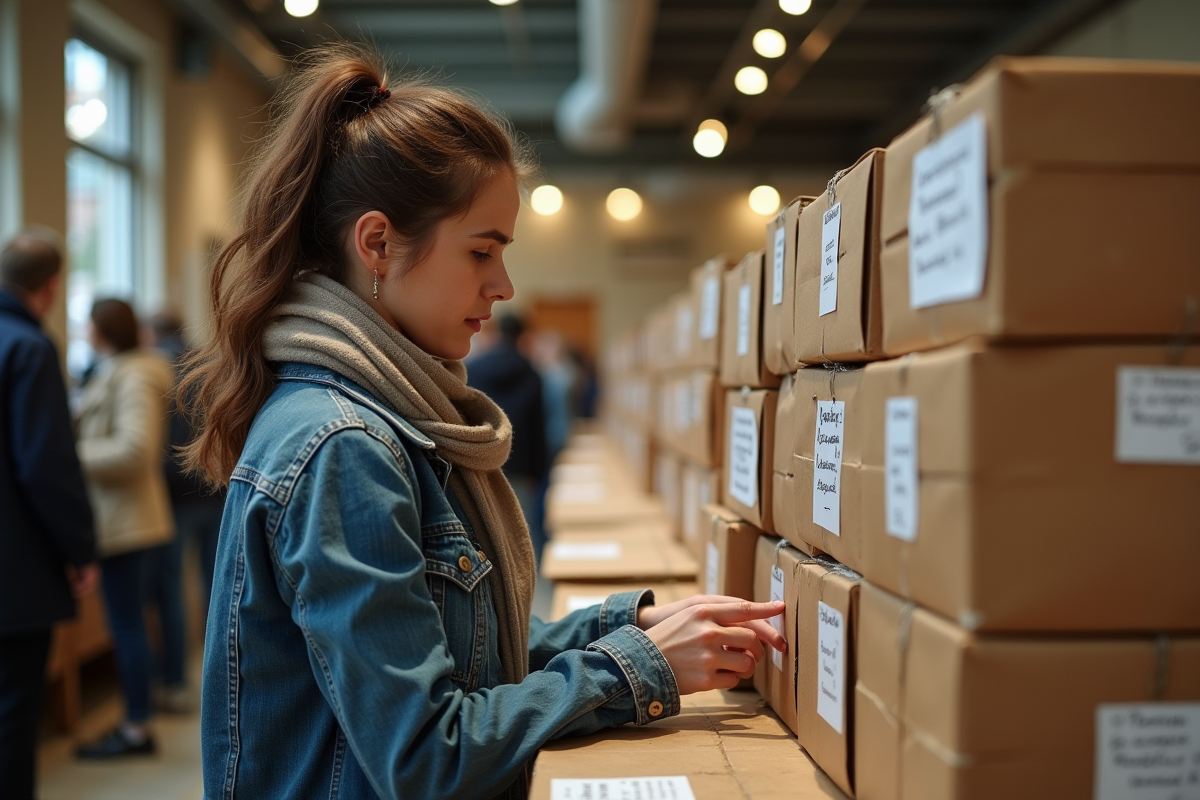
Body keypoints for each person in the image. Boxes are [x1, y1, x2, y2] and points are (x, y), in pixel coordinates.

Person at [181, 43, 786, 800]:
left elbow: (462, 651)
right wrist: (642, 666)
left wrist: (636, 626)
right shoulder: (344, 446)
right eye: (480, 252)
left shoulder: (379, 418)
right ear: (377, 244)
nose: (503, 286)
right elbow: (427, 754)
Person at [0, 229, 98, 800]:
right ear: (53, 287)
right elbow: (44, 465)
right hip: (14, 571)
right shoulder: (29, 348)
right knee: (12, 717)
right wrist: (79, 550)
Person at [75, 298, 174, 758]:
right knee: (132, 624)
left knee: (128, 626)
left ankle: (137, 728)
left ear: (101, 329)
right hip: (127, 520)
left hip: (128, 523)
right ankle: (138, 718)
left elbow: (136, 450)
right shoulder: (118, 369)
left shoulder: (134, 374)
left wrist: (68, 455)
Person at [466, 314, 549, 553]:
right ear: (522, 336)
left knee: (486, 533)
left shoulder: (474, 368)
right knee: (522, 533)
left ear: (496, 333)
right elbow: (537, 426)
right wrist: (539, 470)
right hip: (521, 463)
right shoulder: (531, 372)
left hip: (483, 461)